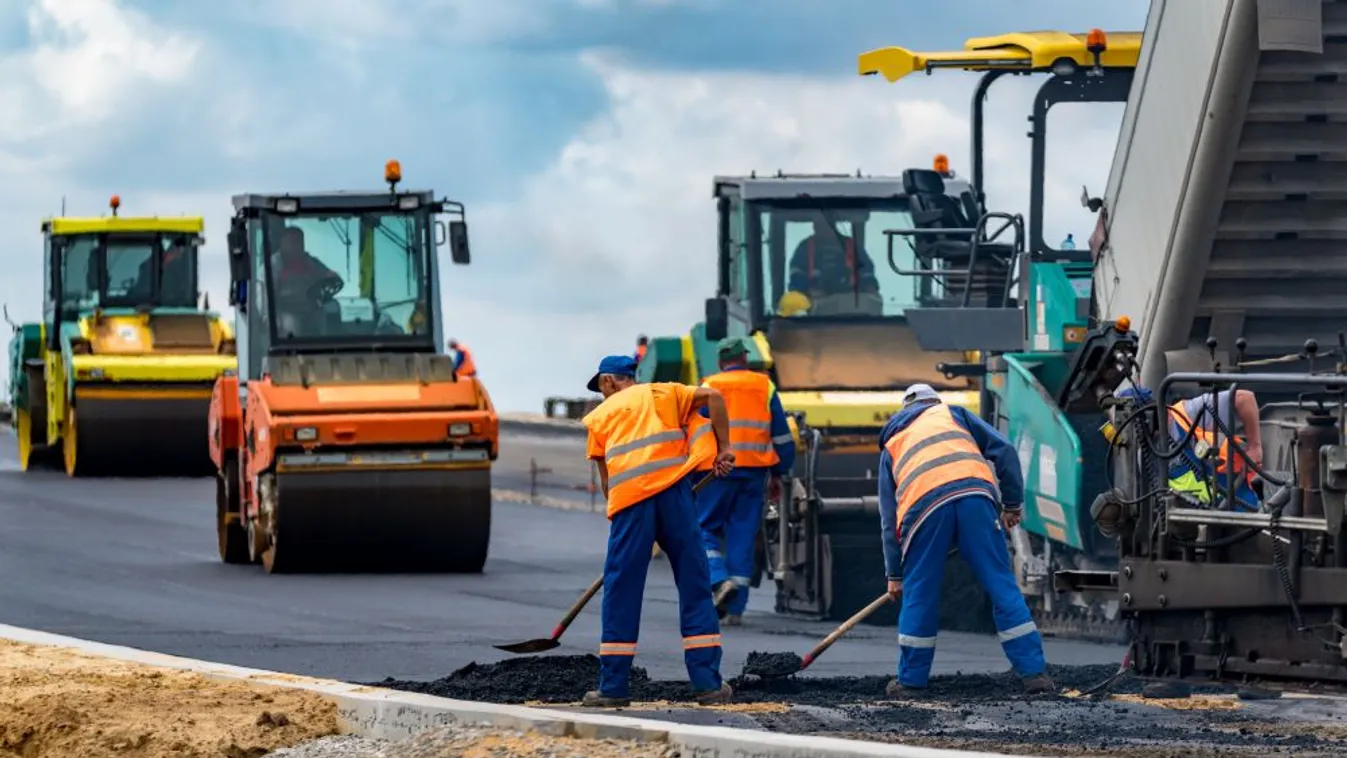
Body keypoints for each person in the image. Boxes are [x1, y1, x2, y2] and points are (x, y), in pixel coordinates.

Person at [878, 383, 1054, 696]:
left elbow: (888, 517)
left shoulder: (893, 441)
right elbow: (1005, 451)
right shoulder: (954, 414)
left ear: (904, 411)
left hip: (923, 511)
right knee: (1002, 585)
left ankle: (911, 682)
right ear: (934, 402)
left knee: (920, 592)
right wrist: (1012, 504)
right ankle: (1034, 674)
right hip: (975, 498)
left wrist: (895, 574)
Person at [580, 354, 736, 707]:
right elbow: (714, 397)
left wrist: (628, 529)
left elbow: (607, 484)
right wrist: (724, 448)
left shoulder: (600, 417)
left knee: (621, 590)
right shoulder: (664, 393)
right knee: (695, 585)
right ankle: (708, 685)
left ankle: (613, 688)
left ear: (608, 382)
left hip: (631, 505)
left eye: (602, 388)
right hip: (675, 496)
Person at [695, 337, 796, 626]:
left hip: (716, 471)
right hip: (754, 473)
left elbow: (697, 430)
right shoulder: (765, 386)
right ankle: (735, 610)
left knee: (701, 528)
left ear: (720, 361)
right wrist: (781, 471)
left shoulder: (708, 384)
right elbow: (781, 436)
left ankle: (717, 580)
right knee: (742, 536)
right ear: (744, 357)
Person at [1116, 385, 1262, 509]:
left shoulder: (1188, 413)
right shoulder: (1145, 454)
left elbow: (1244, 398)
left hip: (1240, 508)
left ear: (1149, 414)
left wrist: (1254, 447)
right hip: (1194, 522)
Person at [786, 216, 880, 299]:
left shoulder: (851, 246)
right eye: (816, 223)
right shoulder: (805, 247)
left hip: (850, 305)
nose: (816, 227)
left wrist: (870, 287)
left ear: (832, 225)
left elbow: (866, 272)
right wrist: (806, 290)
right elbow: (796, 275)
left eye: (822, 223)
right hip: (814, 311)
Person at [272, 227, 342, 333]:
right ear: (283, 243)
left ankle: (330, 345)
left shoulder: (310, 262)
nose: (297, 246)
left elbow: (327, 274)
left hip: (310, 308)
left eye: (300, 242)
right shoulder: (274, 265)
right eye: (293, 242)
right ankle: (293, 349)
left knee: (332, 309)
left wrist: (332, 276)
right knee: (292, 324)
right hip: (285, 310)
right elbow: (266, 295)